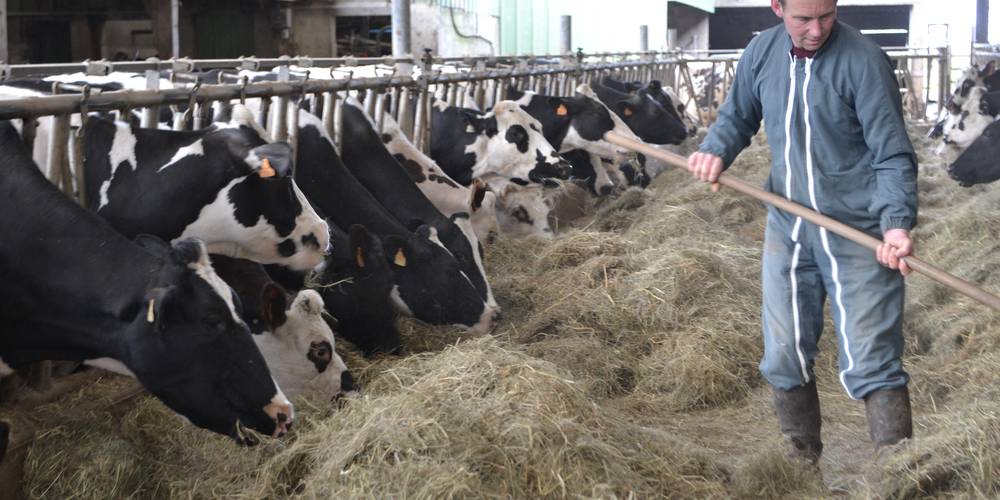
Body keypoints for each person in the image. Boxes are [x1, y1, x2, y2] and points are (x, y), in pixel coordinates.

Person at [687, 0, 918, 465]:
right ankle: (801, 461)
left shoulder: (864, 61)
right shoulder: (761, 53)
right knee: (783, 352)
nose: (816, 30)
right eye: (803, 19)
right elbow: (737, 115)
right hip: (788, 225)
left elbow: (891, 155)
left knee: (874, 357)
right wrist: (715, 149)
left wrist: (895, 224)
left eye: (827, 16)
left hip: (858, 232)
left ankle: (900, 472)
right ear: (776, 7)